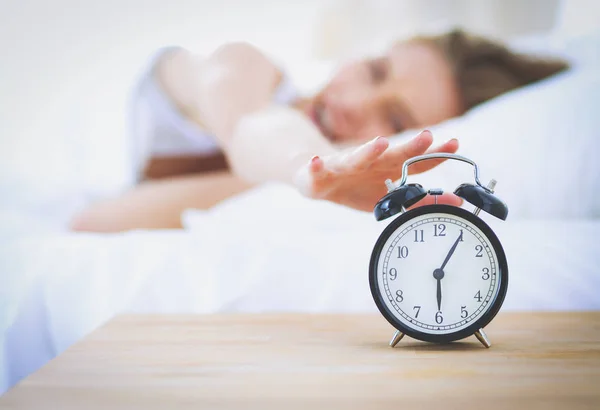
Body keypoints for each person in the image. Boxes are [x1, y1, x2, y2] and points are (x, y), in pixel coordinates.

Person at [70, 29, 568, 232]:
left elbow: (96, 222)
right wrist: (301, 169)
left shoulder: (301, 178)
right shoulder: (243, 67)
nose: (352, 102)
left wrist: (309, 174)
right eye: (374, 70)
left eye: (395, 121)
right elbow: (251, 127)